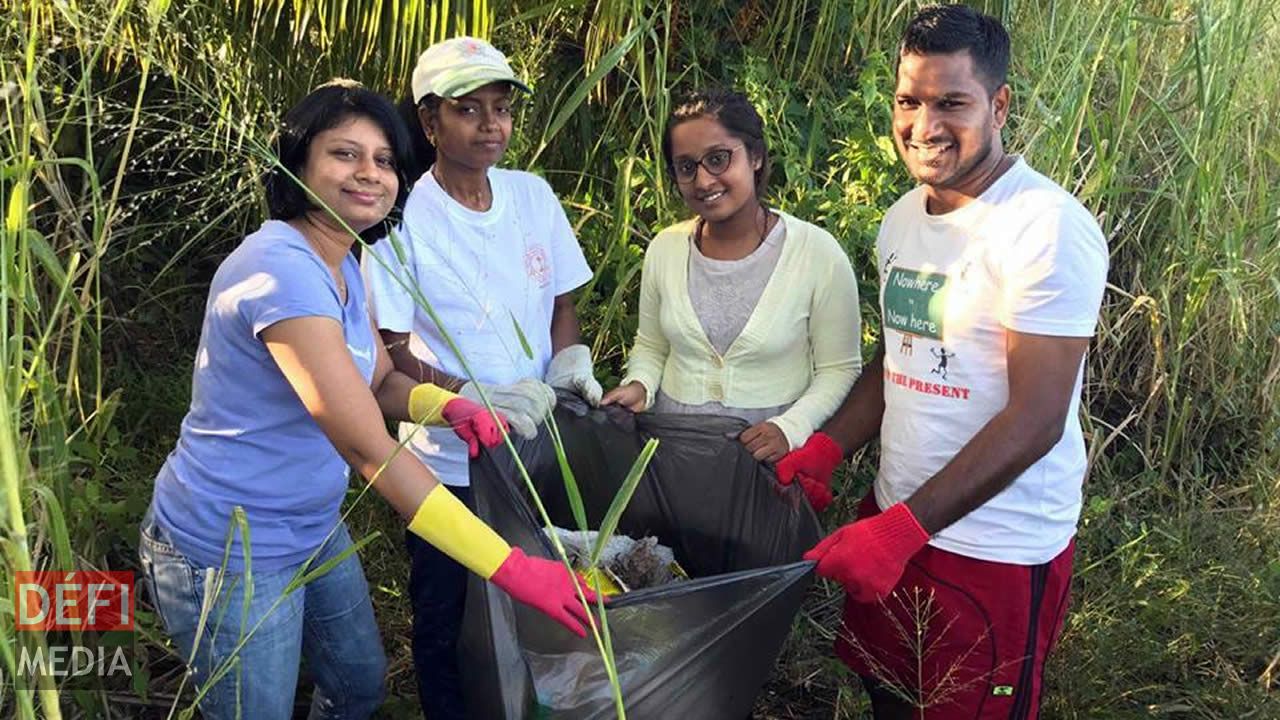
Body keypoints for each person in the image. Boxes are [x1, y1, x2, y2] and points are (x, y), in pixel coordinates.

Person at [139, 80, 597, 720]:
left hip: (309, 523)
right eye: (345, 154)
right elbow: (369, 449)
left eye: (384, 160)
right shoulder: (282, 268)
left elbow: (381, 383)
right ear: (299, 163)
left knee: (358, 684)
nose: (369, 174)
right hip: (231, 546)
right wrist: (512, 568)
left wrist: (456, 407)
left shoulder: (345, 260)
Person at [777, 6, 1108, 718]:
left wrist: (901, 532)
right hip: (897, 520)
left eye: (951, 103)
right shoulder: (903, 218)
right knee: (890, 699)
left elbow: (1037, 418)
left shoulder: (1044, 227)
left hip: (993, 548)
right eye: (909, 101)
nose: (924, 126)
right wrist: (831, 446)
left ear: (999, 105)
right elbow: (902, 353)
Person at [360, 38, 599, 719]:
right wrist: (470, 395)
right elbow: (394, 346)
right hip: (447, 460)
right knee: (450, 611)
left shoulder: (531, 196)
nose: (491, 125)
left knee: (539, 594)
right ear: (430, 123)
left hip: (533, 440)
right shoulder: (402, 215)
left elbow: (560, 304)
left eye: (501, 109)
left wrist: (568, 361)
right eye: (469, 111)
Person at [601, 89, 862, 493]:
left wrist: (789, 428)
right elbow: (651, 347)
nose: (704, 180)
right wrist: (640, 386)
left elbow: (839, 369)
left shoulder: (816, 254)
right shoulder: (665, 250)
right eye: (686, 167)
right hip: (673, 463)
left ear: (755, 156)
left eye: (719, 158)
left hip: (770, 472)